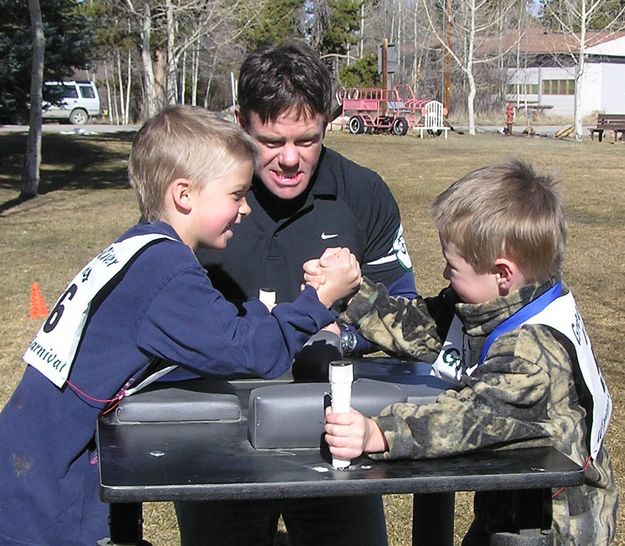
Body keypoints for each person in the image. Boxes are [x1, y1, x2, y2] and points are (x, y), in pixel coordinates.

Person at [0, 105, 362, 546]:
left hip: (39, 455)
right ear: (185, 194)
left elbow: (220, 325)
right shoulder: (165, 271)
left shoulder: (141, 249)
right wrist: (320, 299)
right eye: (235, 194)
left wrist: (266, 314)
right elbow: (254, 353)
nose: (246, 208)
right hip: (47, 483)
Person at [180, 40, 417, 546]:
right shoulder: (197, 198)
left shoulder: (365, 193)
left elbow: (408, 318)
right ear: (240, 120)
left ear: (327, 124)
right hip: (220, 435)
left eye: (307, 140)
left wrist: (344, 333)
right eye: (270, 141)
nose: (290, 159)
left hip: (335, 430)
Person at [318, 160, 618, 546]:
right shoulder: (500, 302)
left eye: (452, 266)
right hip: (512, 498)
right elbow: (424, 326)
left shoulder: (531, 354)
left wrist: (378, 433)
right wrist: (353, 294)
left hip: (552, 524)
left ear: (502, 273)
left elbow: (466, 418)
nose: (444, 274)